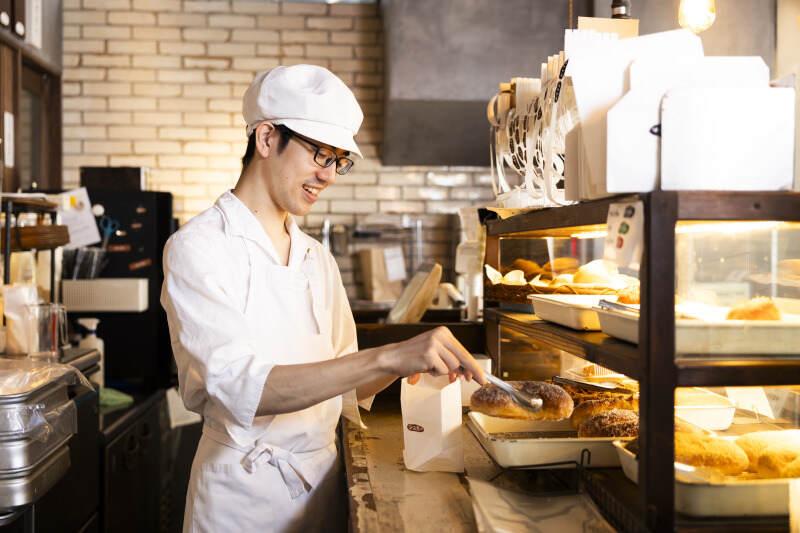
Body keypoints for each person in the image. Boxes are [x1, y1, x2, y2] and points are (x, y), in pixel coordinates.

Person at [161, 64, 486, 533]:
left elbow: (347, 386)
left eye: (339, 160)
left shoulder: (316, 257)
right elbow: (239, 389)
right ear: (267, 138)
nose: (329, 175)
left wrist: (411, 365)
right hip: (242, 500)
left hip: (323, 487)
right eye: (320, 154)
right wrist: (389, 356)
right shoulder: (199, 248)